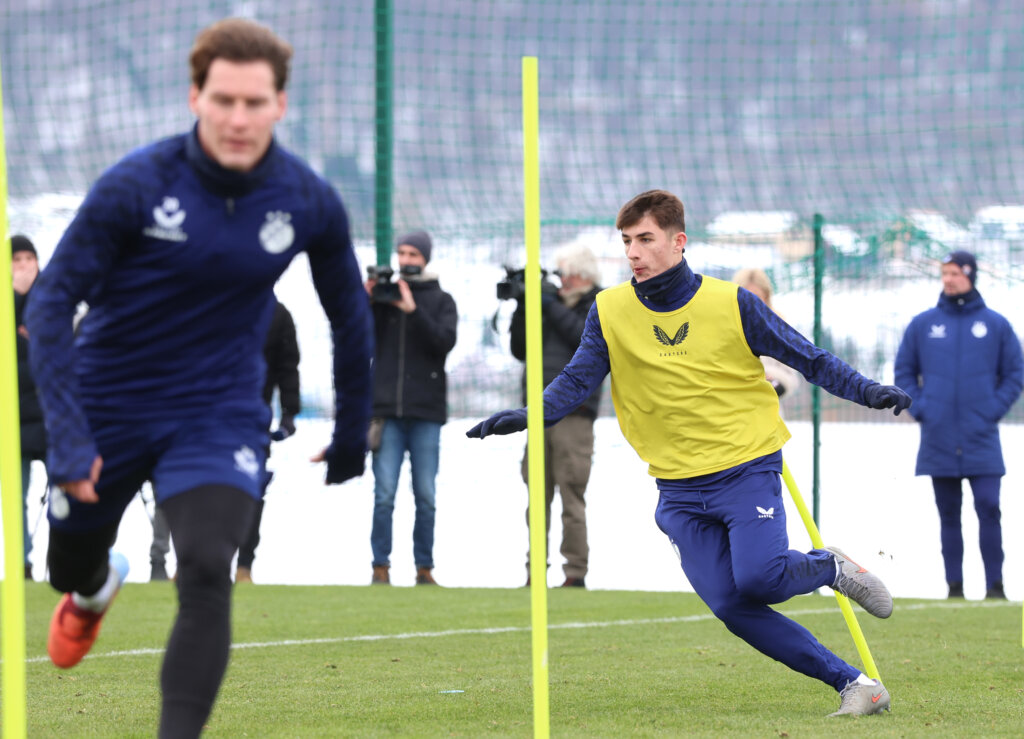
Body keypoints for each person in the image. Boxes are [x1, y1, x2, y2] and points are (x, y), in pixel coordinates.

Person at [26, 18, 373, 739]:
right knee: (66, 565)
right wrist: (66, 433)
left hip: (216, 409)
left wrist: (350, 433)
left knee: (209, 567)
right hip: (107, 401)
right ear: (196, 97)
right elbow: (54, 301)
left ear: (281, 103)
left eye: (255, 102)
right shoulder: (136, 183)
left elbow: (349, 317)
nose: (238, 118)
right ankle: (91, 588)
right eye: (224, 101)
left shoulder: (307, 199)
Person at [468, 189, 913, 717]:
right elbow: (576, 379)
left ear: (678, 242)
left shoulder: (732, 302)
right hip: (677, 487)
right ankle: (856, 685)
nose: (633, 252)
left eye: (645, 239)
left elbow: (809, 359)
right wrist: (528, 415)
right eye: (627, 241)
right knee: (731, 606)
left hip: (745, 466)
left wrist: (868, 391)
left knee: (760, 578)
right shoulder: (608, 310)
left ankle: (830, 568)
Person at [894, 250, 1022, 601]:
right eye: (944, 273)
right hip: (938, 435)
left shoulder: (996, 325)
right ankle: (955, 589)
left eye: (954, 273)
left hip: (982, 436)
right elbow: (904, 371)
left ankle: (996, 588)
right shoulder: (923, 324)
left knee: (988, 506)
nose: (948, 279)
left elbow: (1015, 374)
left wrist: (992, 409)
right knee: (948, 513)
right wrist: (921, 409)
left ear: (969, 275)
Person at [364, 230, 457, 586]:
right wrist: (367, 299)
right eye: (401, 253)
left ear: (425, 259)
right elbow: (358, 335)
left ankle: (424, 568)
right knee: (384, 493)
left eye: (413, 254)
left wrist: (412, 310)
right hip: (386, 411)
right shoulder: (381, 299)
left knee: (426, 494)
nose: (406, 260)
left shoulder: (441, 300)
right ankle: (380, 567)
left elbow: (443, 343)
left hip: (426, 412)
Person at [509, 243, 601, 588]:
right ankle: (535, 570)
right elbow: (520, 348)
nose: (560, 281)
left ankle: (574, 572)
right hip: (537, 412)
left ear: (582, 275)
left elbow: (583, 339)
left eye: (565, 274)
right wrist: (525, 306)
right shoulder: (549, 306)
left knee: (571, 493)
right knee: (537, 494)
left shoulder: (597, 304)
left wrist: (550, 305)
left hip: (575, 415)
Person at [237, 295, 302, 583]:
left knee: (252, 493)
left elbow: (289, 368)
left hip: (254, 422)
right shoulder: (212, 301)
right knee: (201, 489)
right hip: (207, 418)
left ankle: (244, 567)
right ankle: (193, 564)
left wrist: (289, 414)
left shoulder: (279, 315)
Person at [12, 234, 47, 580]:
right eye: (16, 260)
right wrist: (15, 297)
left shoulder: (53, 299)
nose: (23, 267)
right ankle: (22, 563)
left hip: (51, 418)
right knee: (15, 498)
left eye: (28, 259)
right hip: (13, 420)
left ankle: (65, 565)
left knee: (67, 494)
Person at [731, 268, 801, 401]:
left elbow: (791, 378)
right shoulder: (724, 326)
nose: (750, 303)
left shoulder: (779, 329)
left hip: (766, 409)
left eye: (756, 297)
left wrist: (769, 379)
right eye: (745, 296)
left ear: (766, 297)